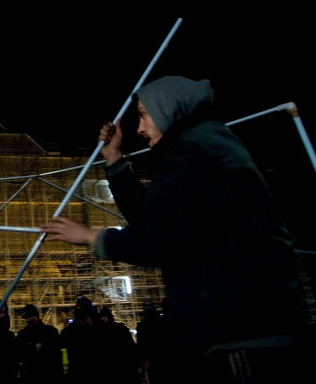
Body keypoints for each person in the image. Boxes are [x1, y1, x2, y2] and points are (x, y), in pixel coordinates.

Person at [41, 75, 306, 384]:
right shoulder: (205, 144)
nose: (139, 128)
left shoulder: (196, 149)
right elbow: (155, 217)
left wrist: (92, 236)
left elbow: (159, 236)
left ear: (167, 108)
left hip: (241, 333)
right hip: (244, 328)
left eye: (144, 114)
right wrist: (114, 160)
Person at [15, 304, 64, 384]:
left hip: (48, 375)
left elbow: (56, 355)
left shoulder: (50, 332)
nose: (28, 320)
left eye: (30, 316)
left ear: (36, 316)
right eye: (26, 317)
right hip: (31, 375)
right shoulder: (23, 335)